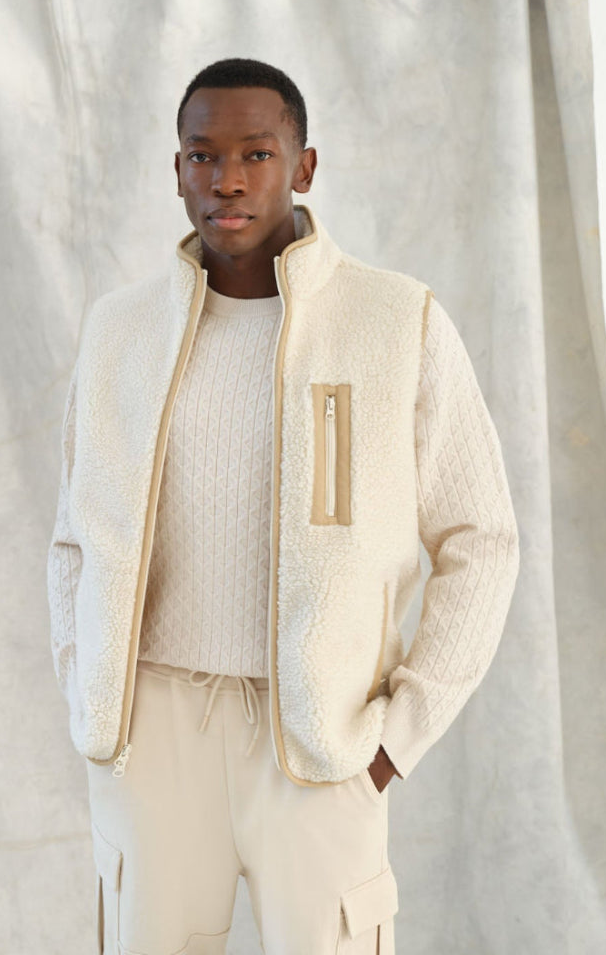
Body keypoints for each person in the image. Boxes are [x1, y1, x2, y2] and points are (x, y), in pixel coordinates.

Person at [48, 58, 520, 955]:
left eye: (256, 154)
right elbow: (74, 538)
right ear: (177, 170)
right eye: (202, 155)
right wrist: (88, 692)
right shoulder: (118, 331)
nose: (227, 179)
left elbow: (482, 541)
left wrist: (395, 740)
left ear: (303, 167)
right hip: (152, 733)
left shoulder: (397, 320)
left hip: (322, 742)